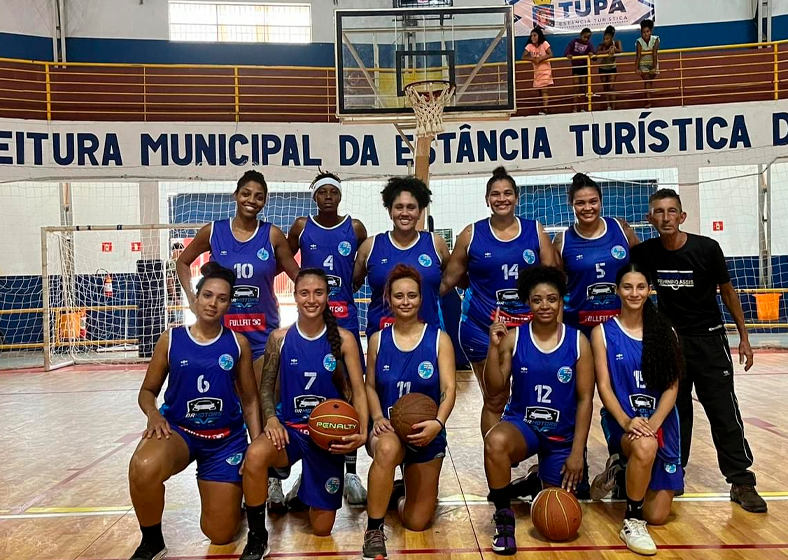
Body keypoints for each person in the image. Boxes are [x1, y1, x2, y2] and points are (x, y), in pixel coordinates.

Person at [631, 188, 766, 513]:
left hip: (709, 341)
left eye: (671, 211)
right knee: (676, 414)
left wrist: (743, 336)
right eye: (658, 212)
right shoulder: (647, 253)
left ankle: (741, 480)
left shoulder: (707, 248)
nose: (665, 217)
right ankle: (674, 474)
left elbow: (729, 292)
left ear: (682, 216)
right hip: (671, 344)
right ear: (650, 219)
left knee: (723, 411)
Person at [176, 169, 300, 512]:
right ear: (236, 195)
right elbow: (183, 262)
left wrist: (326, 291)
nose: (252, 201)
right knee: (230, 410)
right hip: (224, 341)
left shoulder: (272, 235)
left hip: (263, 337)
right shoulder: (213, 231)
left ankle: (270, 479)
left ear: (265, 201)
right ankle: (231, 474)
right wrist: (191, 296)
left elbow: (295, 273)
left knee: (262, 409)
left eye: (258, 196)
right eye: (246, 194)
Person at [127, 262, 262, 560]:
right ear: (196, 297)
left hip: (225, 441)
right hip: (179, 433)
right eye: (208, 295)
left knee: (220, 534)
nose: (213, 303)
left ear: (229, 304)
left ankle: (232, 497)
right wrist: (153, 414)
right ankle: (152, 541)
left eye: (222, 298)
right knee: (143, 466)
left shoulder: (238, 344)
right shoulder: (171, 339)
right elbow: (147, 392)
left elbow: (251, 401)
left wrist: (256, 447)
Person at [238, 268, 369, 560]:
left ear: (327, 297)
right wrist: (271, 418)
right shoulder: (279, 338)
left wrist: (360, 432)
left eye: (318, 292)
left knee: (321, 529)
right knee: (256, 456)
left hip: (328, 435)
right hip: (291, 431)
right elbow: (267, 389)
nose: (311, 299)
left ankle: (305, 488)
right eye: (304, 293)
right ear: (294, 296)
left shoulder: (345, 339)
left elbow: (358, 391)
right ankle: (258, 536)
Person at [483, 266, 594, 556]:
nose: (545, 305)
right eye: (537, 299)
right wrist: (492, 349)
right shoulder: (514, 338)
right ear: (528, 302)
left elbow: (585, 400)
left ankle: (537, 479)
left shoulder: (578, 342)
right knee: (495, 441)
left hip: (562, 437)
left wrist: (577, 454)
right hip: (524, 427)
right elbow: (495, 389)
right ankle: (504, 519)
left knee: (559, 522)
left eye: (552, 299)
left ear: (561, 301)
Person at [441, 166, 555, 437]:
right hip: (480, 328)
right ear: (487, 199)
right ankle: (496, 464)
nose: (501, 198)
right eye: (495, 194)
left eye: (507, 193)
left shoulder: (535, 231)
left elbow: (552, 279)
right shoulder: (471, 234)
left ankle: (539, 460)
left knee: (537, 396)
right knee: (494, 397)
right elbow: (450, 278)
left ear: (516, 198)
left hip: (527, 329)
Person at [361, 265, 457, 560]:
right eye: (399, 295)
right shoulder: (377, 339)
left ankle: (397, 492)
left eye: (412, 295)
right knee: (388, 449)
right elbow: (369, 386)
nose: (406, 301)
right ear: (388, 298)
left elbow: (449, 389)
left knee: (416, 521)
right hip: (389, 430)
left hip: (427, 433)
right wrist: (377, 417)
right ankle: (374, 530)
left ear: (420, 299)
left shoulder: (439, 339)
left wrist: (438, 423)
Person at [554, 172, 640, 498]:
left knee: (618, 398)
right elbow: (556, 290)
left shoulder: (621, 229)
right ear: (571, 205)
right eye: (580, 203)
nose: (587, 207)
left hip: (619, 332)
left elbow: (642, 270)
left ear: (601, 202)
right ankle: (579, 467)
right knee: (578, 400)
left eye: (592, 201)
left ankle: (621, 464)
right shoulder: (563, 241)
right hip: (581, 333)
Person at [590, 263, 684, 556]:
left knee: (658, 516)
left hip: (661, 422)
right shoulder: (602, 333)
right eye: (628, 287)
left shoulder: (665, 330)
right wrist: (626, 420)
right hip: (623, 420)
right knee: (643, 447)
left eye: (640, 287)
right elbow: (604, 386)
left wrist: (654, 423)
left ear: (649, 290)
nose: (634, 293)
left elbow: (672, 387)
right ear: (617, 290)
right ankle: (631, 518)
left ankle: (619, 473)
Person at [287, 171, 369, 507]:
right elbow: (283, 257)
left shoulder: (357, 228)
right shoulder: (301, 227)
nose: (328, 197)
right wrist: (304, 287)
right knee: (302, 391)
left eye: (334, 192)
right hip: (310, 321)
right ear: (314, 197)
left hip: (344, 320)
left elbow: (359, 272)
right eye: (322, 192)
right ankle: (301, 474)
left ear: (340, 195)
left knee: (347, 390)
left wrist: (342, 293)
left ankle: (349, 470)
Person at [354, 176, 450, 338]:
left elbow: (453, 278)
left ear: (420, 211)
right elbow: (350, 285)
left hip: (427, 338)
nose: (404, 213)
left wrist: (431, 292)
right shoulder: (370, 246)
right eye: (399, 207)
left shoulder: (436, 244)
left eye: (411, 207)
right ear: (389, 211)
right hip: (381, 337)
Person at [523, 27, 553, 115]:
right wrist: (533, 59)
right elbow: (523, 57)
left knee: (544, 90)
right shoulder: (529, 46)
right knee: (539, 91)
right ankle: (542, 107)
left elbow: (550, 54)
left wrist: (541, 58)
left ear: (539, 36)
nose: (533, 37)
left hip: (545, 70)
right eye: (531, 36)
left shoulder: (544, 43)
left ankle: (545, 109)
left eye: (535, 35)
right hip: (537, 72)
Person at [564, 28, 595, 112]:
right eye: (585, 37)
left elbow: (594, 56)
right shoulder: (574, 42)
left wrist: (591, 54)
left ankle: (583, 107)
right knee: (576, 87)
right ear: (581, 35)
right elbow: (567, 50)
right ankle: (575, 107)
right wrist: (568, 54)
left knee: (583, 88)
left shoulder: (589, 45)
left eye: (588, 38)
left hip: (584, 68)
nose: (586, 39)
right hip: (576, 68)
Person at [596, 25, 622, 110]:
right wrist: (607, 51)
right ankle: (608, 106)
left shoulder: (617, 43)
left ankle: (613, 106)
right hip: (603, 68)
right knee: (605, 88)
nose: (605, 40)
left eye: (607, 39)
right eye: (604, 39)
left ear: (611, 38)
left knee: (611, 87)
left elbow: (620, 51)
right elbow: (597, 53)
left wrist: (614, 49)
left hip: (612, 68)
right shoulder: (601, 45)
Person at [635, 19, 660, 108]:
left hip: (654, 62)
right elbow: (638, 55)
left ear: (651, 31)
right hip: (643, 64)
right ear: (641, 32)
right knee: (647, 81)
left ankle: (648, 99)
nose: (646, 34)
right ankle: (648, 101)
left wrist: (654, 67)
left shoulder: (656, 39)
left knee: (649, 82)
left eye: (647, 31)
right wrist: (636, 68)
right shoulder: (639, 41)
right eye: (643, 32)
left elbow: (654, 53)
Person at [166, 242, 185, 326]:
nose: (182, 254)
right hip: (172, 299)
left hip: (178, 296)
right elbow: (170, 282)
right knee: (176, 323)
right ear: (174, 251)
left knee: (180, 322)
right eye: (180, 251)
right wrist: (175, 299)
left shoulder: (178, 264)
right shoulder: (171, 264)